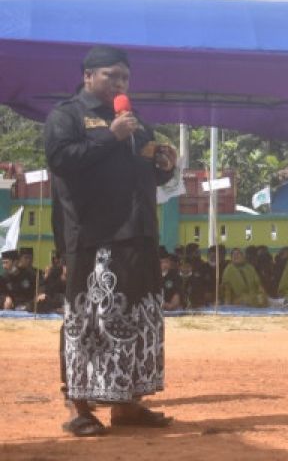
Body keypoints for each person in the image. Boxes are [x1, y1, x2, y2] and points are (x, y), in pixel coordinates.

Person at [44, 45, 178, 436]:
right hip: (94, 236)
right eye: (111, 75)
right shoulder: (66, 115)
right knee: (88, 320)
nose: (120, 83)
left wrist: (163, 166)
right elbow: (61, 160)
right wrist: (110, 138)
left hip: (138, 235)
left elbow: (146, 177)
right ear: (88, 76)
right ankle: (78, 407)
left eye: (124, 77)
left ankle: (126, 403)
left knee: (135, 320)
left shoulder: (133, 122)